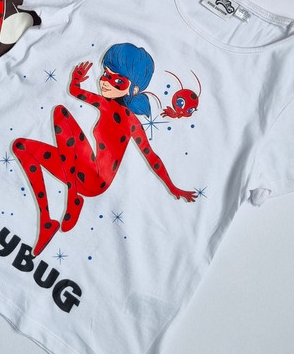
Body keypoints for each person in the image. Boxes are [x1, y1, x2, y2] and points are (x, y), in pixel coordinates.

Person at [13, 42, 197, 255]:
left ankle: (73, 196)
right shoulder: (104, 103)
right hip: (79, 166)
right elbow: (75, 92)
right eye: (106, 74)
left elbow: (151, 157)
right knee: (22, 147)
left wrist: (173, 188)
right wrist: (76, 79)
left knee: (61, 114)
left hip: (96, 180)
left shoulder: (131, 122)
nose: (106, 82)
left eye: (118, 80)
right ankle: (47, 221)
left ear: (134, 89)